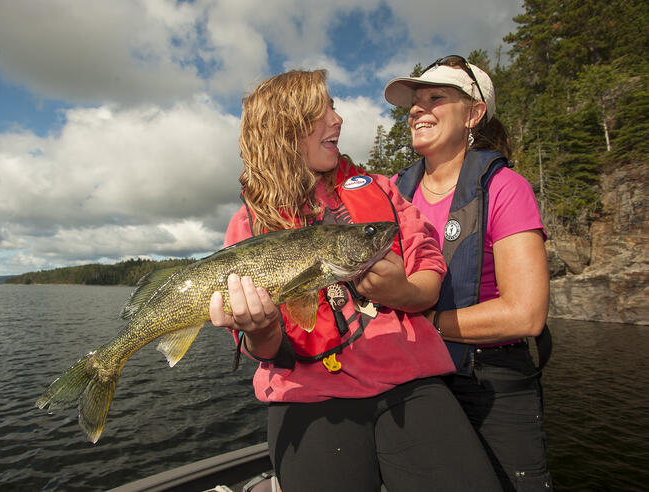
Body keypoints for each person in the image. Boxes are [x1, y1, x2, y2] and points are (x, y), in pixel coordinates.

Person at [209, 69, 500, 492]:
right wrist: (261, 329)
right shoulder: (247, 227)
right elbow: (266, 350)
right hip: (307, 398)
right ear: (284, 129)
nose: (337, 118)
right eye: (322, 109)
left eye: (335, 105)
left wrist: (403, 291)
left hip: (409, 384)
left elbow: (428, 278)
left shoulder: (382, 191)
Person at [384, 55, 553, 491]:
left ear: (474, 113)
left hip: (490, 382)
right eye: (414, 104)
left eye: (435, 98)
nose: (418, 110)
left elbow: (525, 314)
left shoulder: (504, 188)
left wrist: (426, 324)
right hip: (415, 382)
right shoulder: (392, 194)